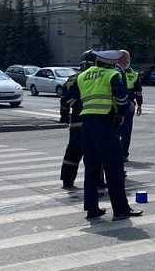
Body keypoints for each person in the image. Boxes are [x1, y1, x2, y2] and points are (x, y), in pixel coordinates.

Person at [73, 50, 143, 220]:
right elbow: (121, 99)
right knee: (114, 168)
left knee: (91, 169)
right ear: (110, 63)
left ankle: (92, 209)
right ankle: (121, 210)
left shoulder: (82, 76)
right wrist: (120, 116)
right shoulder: (112, 75)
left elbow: (74, 99)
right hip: (105, 123)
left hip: (86, 125)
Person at [60, 50, 96, 189]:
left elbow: (64, 99)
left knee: (72, 152)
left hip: (75, 122)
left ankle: (67, 181)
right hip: (91, 121)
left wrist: (64, 116)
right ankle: (96, 182)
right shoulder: (93, 78)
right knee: (93, 153)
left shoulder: (72, 78)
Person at [116, 50, 143, 167]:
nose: (126, 60)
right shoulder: (114, 72)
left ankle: (123, 154)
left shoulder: (134, 74)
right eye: (124, 58)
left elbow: (138, 91)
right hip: (117, 105)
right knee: (116, 131)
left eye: (127, 58)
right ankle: (115, 153)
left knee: (126, 132)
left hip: (129, 106)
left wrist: (140, 105)